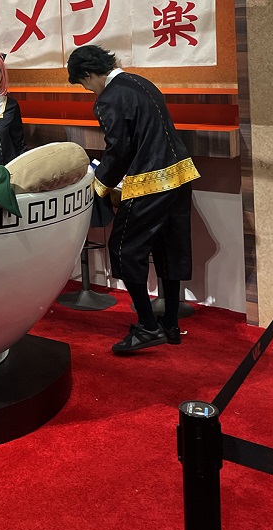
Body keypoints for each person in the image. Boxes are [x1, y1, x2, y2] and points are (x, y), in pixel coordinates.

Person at [67, 44, 200, 355]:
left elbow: (119, 150)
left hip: (151, 182)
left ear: (88, 74)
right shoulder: (141, 82)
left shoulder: (109, 98)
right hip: (181, 175)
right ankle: (169, 324)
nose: (88, 90)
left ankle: (147, 327)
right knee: (169, 248)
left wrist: (99, 185)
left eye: (84, 84)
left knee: (124, 249)